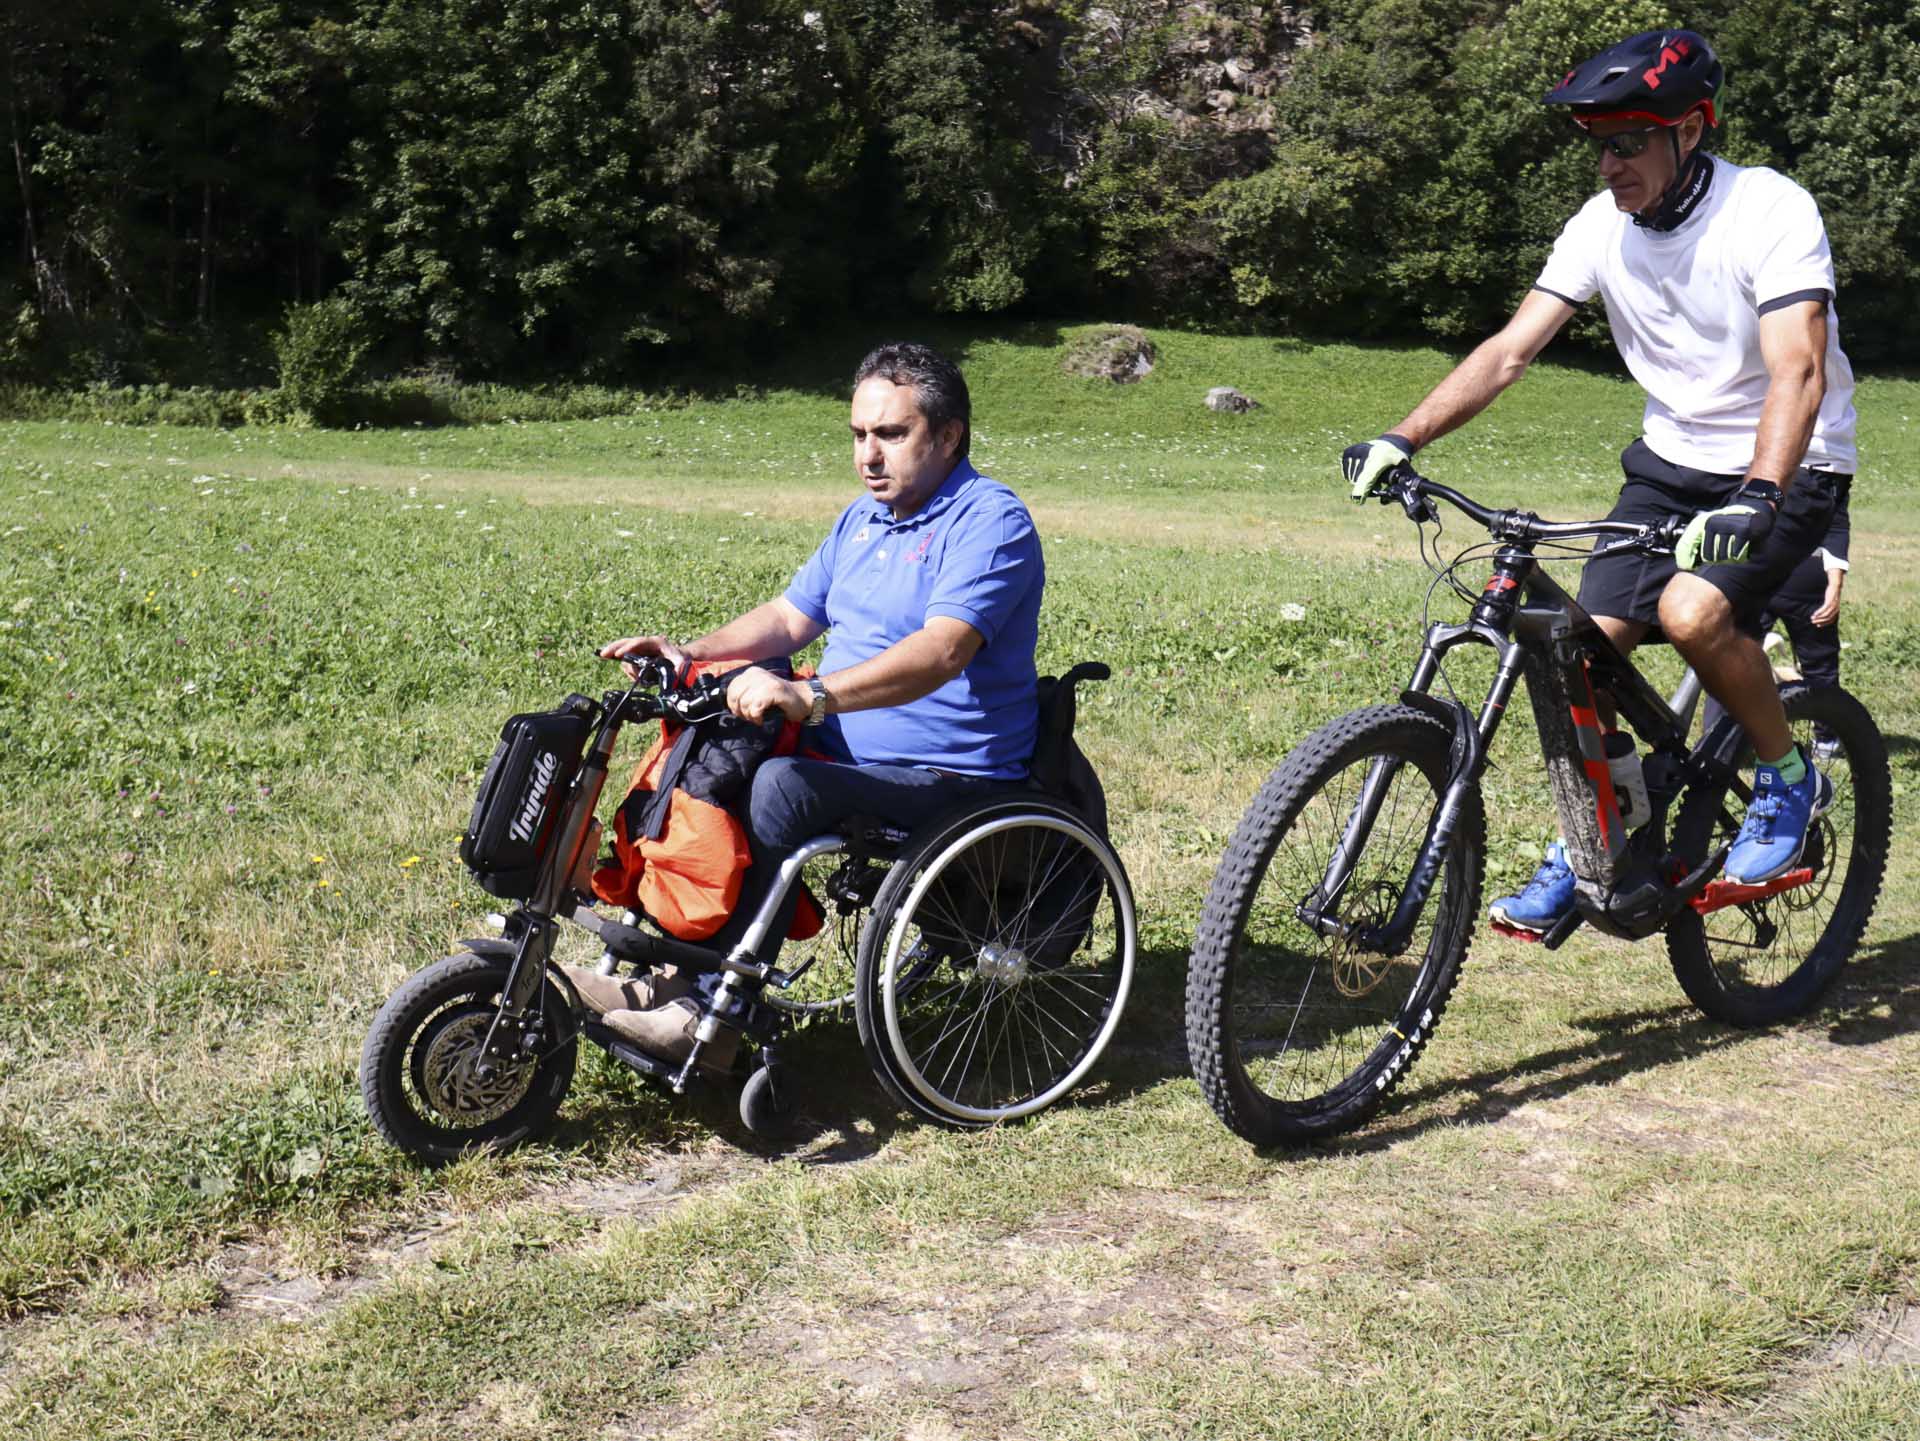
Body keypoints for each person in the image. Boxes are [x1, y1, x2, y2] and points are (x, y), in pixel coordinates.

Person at [1339, 28, 1857, 934]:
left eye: (1629, 142)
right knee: (1576, 655)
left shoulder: (1768, 210)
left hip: (1787, 463)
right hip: (1669, 464)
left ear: (1689, 130)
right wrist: (1402, 435)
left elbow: (1799, 370)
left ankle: (1787, 775)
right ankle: (1601, 834)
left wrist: (1759, 493)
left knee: (1693, 613)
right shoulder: (1599, 227)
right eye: (1599, 145)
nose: (1610, 163)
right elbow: (1510, 351)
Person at [564, 341, 1045, 1066]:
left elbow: (943, 651)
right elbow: (790, 618)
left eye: (892, 434)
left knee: (780, 785)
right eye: (859, 434)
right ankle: (665, 974)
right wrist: (690, 654)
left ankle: (711, 1015)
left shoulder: (990, 522)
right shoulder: (864, 520)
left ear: (949, 436)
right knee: (714, 752)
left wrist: (810, 695)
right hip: (847, 749)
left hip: (947, 776)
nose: (868, 456)